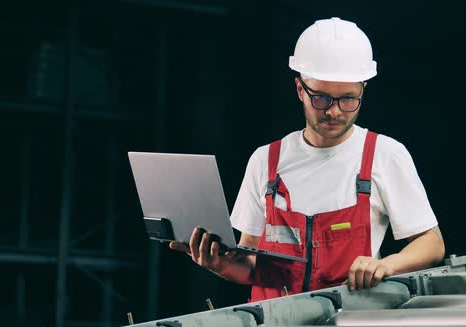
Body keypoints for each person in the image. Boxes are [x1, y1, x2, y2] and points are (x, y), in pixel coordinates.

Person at [170, 17, 445, 301]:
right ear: (300, 88)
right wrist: (220, 264)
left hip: (350, 321)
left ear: (363, 89)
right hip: (274, 324)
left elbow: (432, 244)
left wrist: (385, 265)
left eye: (348, 99)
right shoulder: (266, 161)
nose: (335, 112)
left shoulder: (384, 155)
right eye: (322, 98)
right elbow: (251, 265)